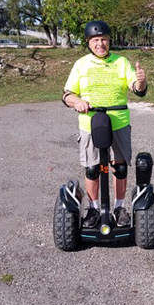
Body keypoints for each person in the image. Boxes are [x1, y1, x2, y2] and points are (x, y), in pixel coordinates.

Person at [62, 20, 147, 228]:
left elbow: (137, 88)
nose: (100, 43)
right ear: (89, 43)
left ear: (109, 41)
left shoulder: (121, 62)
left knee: (120, 167)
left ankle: (119, 207)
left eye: (104, 39)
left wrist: (141, 81)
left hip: (119, 122)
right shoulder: (81, 64)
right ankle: (93, 208)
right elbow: (67, 95)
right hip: (90, 123)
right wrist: (77, 101)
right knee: (92, 168)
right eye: (96, 40)